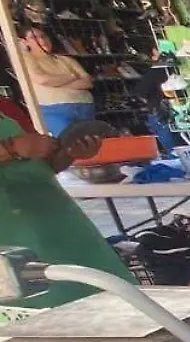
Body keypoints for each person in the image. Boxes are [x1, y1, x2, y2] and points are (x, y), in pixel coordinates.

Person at [0, 117, 134, 308]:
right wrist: (11, 148)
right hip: (15, 239)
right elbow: (16, 152)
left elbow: (33, 168)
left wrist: (67, 153)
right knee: (44, 315)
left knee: (115, 301)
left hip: (63, 225)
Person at [17, 24, 95, 138]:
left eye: (43, 36)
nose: (42, 40)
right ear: (25, 42)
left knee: (91, 142)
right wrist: (72, 76)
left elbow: (87, 82)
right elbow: (42, 79)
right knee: (65, 141)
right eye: (34, 37)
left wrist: (56, 83)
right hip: (54, 109)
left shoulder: (66, 59)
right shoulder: (26, 60)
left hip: (84, 107)